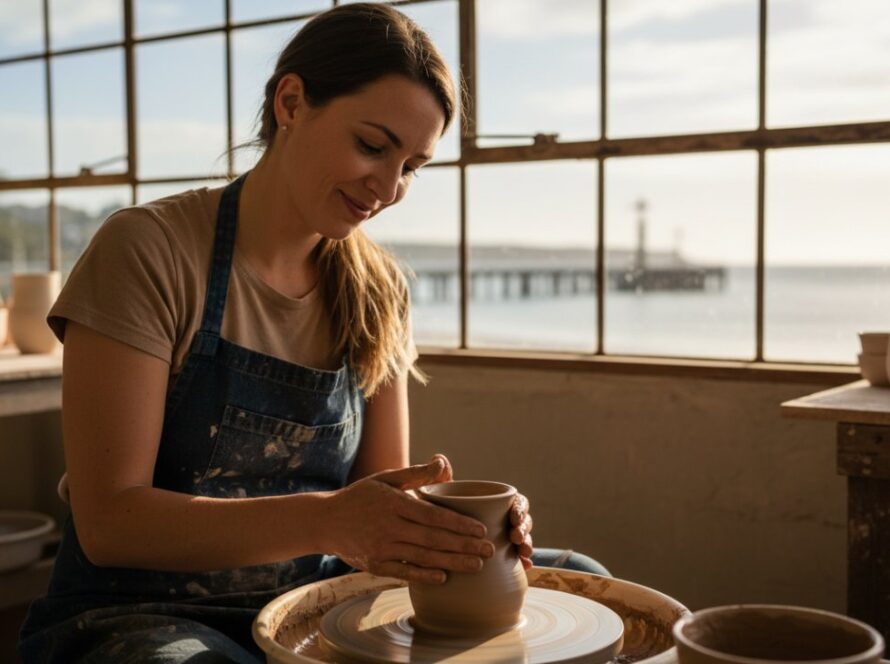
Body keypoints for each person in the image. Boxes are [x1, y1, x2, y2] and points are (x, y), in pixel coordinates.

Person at [18, 4, 608, 662]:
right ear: (291, 102)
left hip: (315, 596)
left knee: (585, 576)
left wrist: (477, 527)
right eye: (373, 146)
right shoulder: (148, 250)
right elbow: (109, 524)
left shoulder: (378, 289)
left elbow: (383, 504)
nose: (386, 188)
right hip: (139, 612)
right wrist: (328, 519)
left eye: (411, 166)